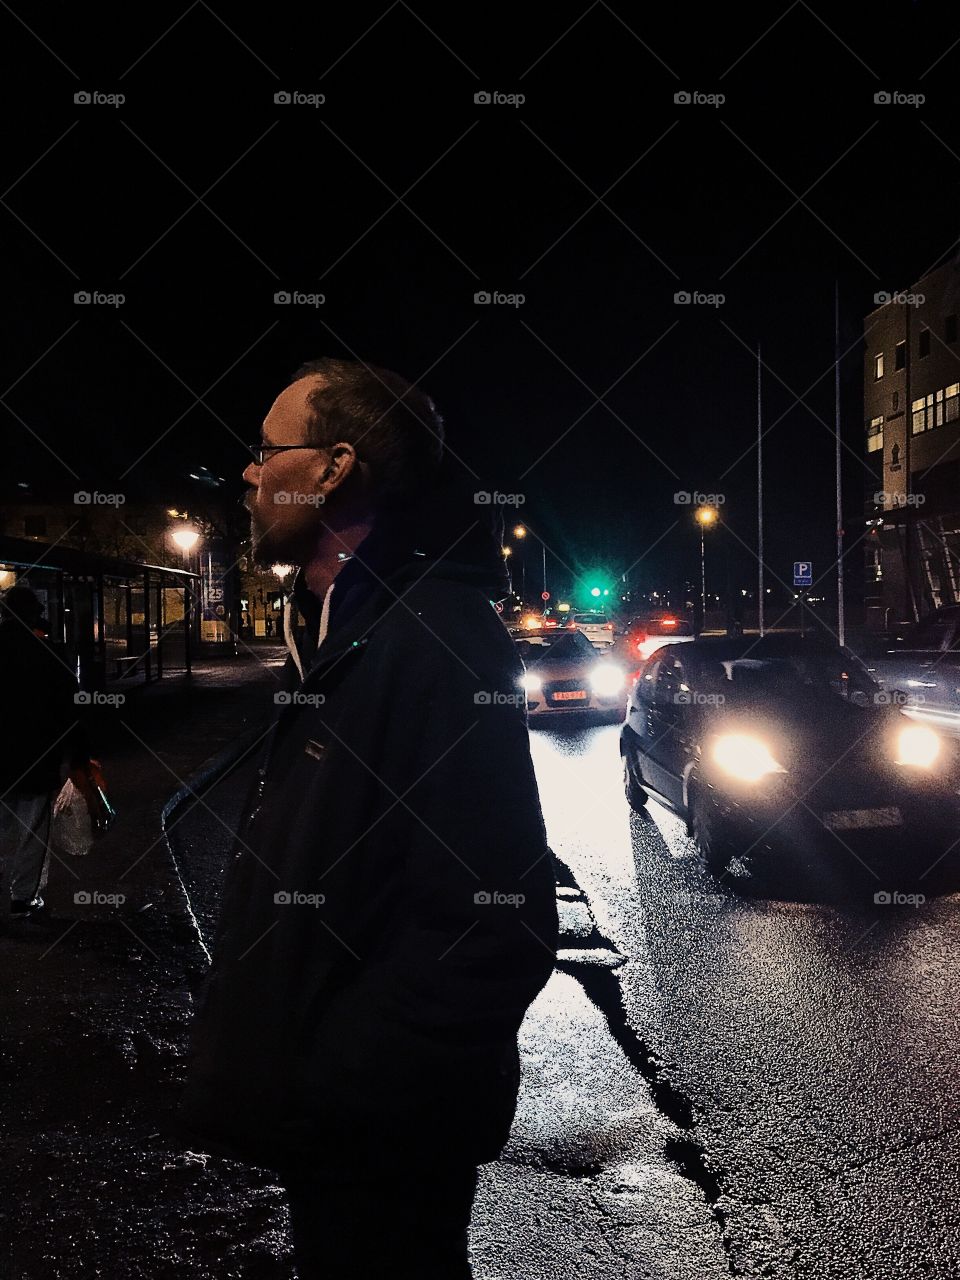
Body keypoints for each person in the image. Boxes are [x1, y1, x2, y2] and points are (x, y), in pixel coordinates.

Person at [180, 358, 558, 1278]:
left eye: (269, 451)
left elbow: (496, 922)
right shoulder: (342, 629)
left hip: (381, 1138)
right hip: (339, 1131)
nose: (248, 473)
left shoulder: (433, 637)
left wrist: (337, 1079)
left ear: (335, 467)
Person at [0, 586, 90, 918]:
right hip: (35, 755)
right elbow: (70, 710)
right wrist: (79, 756)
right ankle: (23, 898)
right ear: (33, 615)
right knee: (33, 829)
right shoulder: (47, 655)